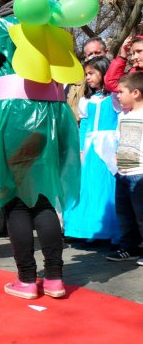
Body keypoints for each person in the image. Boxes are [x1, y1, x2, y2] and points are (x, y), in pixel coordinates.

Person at [0, 0, 81, 299]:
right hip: (51, 116)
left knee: (17, 202)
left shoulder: (2, 25)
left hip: (15, 115)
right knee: (43, 197)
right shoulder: (51, 28)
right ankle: (57, 280)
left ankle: (28, 281)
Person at [63, 57, 121, 244]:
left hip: (109, 146)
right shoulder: (87, 99)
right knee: (88, 188)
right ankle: (89, 229)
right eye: (86, 74)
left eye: (92, 73)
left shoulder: (114, 98)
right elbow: (85, 124)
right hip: (90, 148)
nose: (87, 78)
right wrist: (81, 149)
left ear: (104, 72)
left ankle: (110, 231)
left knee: (106, 187)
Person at [106, 71, 143, 265]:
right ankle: (130, 247)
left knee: (141, 215)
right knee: (125, 214)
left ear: (135, 93)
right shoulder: (122, 116)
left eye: (121, 92)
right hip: (123, 173)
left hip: (140, 174)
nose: (117, 95)